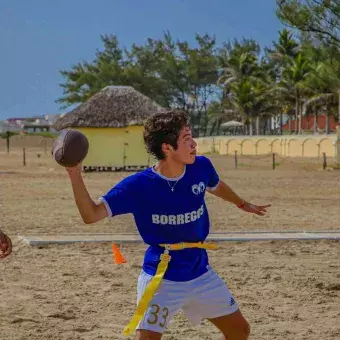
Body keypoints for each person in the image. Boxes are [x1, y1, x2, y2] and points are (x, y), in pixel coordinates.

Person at [65, 110, 271, 340]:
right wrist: (75, 174)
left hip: (200, 273)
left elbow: (215, 184)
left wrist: (241, 203)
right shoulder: (138, 186)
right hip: (161, 280)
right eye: (186, 139)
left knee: (240, 331)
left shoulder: (200, 167)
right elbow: (91, 214)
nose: (194, 144)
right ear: (167, 148)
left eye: (192, 137)